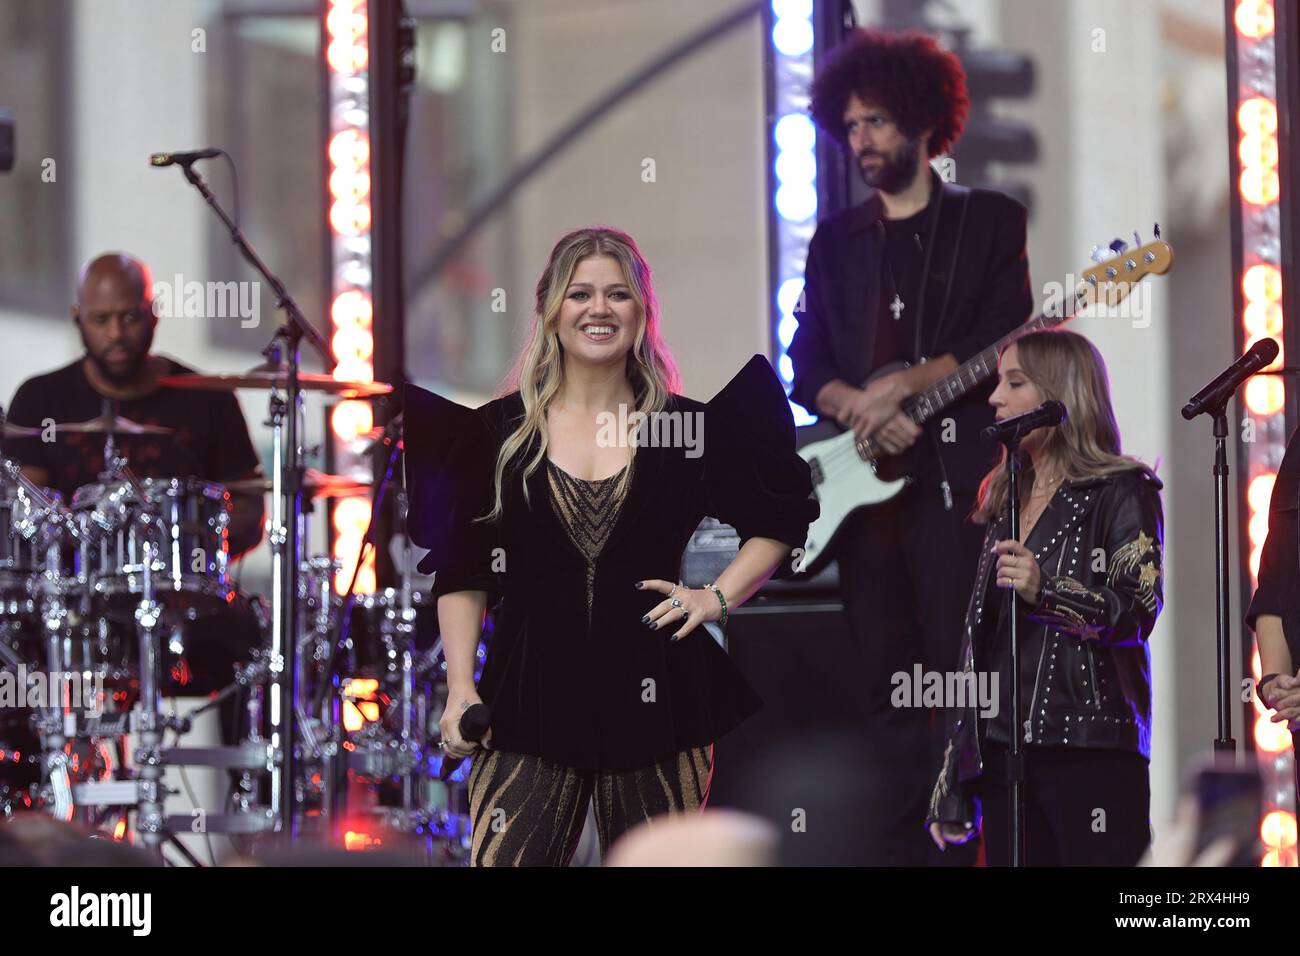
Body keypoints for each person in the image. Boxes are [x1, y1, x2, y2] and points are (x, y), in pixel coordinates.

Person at [405, 226, 817, 867]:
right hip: (528, 701)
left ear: (642, 313)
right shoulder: (498, 435)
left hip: (659, 704)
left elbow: (781, 517)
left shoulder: (687, 430)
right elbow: (462, 567)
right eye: (580, 294)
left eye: (618, 294)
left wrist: (715, 598)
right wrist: (461, 686)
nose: (599, 309)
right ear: (550, 311)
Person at [787, 27, 1033, 863]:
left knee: (973, 684)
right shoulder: (835, 241)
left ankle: (978, 845)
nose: (862, 141)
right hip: (865, 504)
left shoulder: (988, 222)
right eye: (850, 126)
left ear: (926, 122)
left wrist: (913, 387)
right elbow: (805, 364)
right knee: (885, 696)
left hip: (963, 491)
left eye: (878, 123)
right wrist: (861, 405)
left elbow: (1009, 333)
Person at [926, 330, 1164, 866]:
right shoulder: (1005, 497)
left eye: (1015, 382)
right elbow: (975, 641)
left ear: (1060, 395)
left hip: (1089, 746)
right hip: (1007, 753)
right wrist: (954, 777)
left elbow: (1138, 608)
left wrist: (1048, 591)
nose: (995, 397)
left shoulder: (1123, 489)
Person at [4, 252, 264, 557]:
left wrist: (185, 538)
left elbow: (249, 510)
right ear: (78, 319)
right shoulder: (40, 399)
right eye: (101, 320)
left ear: (154, 315)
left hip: (181, 592)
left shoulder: (210, 399)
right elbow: (22, 512)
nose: (116, 334)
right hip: (73, 597)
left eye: (130, 317)